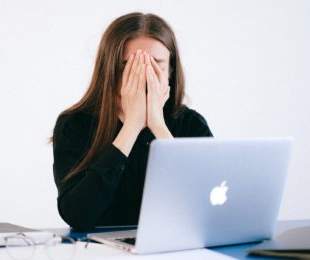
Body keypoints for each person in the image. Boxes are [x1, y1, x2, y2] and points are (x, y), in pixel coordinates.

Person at [51, 12, 213, 232]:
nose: (144, 75)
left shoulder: (191, 124)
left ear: (171, 71)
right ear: (110, 70)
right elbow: (78, 215)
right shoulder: (74, 124)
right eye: (130, 66)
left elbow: (205, 208)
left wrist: (158, 126)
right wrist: (131, 127)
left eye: (156, 65)